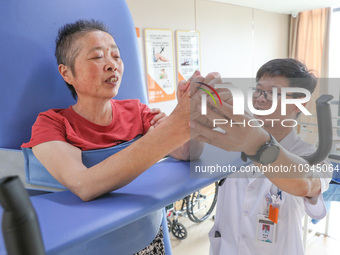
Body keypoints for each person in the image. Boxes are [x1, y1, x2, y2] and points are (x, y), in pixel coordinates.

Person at [21, 19, 203, 255]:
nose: (111, 65)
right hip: (87, 245)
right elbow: (83, 185)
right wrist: (170, 131)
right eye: (97, 57)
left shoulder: (137, 111)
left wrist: (191, 120)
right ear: (66, 72)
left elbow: (189, 153)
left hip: (145, 236)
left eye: (116, 56)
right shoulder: (52, 123)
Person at [188, 58, 332, 255]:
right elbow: (190, 154)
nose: (261, 99)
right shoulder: (231, 138)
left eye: (274, 93)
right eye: (258, 90)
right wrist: (192, 120)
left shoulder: (312, 156)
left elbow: (306, 183)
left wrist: (258, 147)